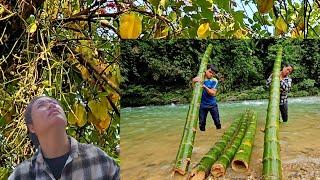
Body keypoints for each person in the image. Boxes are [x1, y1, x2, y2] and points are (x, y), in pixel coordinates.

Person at [9, 96, 119, 180]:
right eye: (41, 105)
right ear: (32, 127)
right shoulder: (21, 175)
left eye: (55, 103)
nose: (52, 106)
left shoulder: (98, 158)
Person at [192, 64, 221, 131]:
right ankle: (203, 136)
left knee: (217, 122)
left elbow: (213, 93)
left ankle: (219, 133)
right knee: (202, 124)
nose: (211, 74)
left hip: (212, 105)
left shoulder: (214, 80)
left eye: (213, 73)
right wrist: (193, 82)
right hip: (202, 105)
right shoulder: (200, 78)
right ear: (206, 70)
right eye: (210, 72)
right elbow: (194, 90)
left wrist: (204, 86)